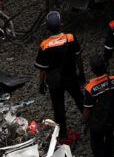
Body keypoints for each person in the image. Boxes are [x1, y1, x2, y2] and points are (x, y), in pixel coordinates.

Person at [34, 11, 85, 145]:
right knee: (79, 99)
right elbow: (78, 57)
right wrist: (82, 72)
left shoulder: (45, 45)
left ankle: (62, 134)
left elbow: (43, 69)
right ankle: (91, 121)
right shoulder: (70, 38)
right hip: (70, 76)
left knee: (58, 106)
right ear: (61, 24)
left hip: (54, 80)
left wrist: (41, 83)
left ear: (48, 28)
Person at [82, 55, 114, 157]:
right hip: (111, 118)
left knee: (97, 147)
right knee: (110, 138)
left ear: (92, 70)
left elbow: (87, 109)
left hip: (97, 122)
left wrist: (84, 123)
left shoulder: (90, 88)